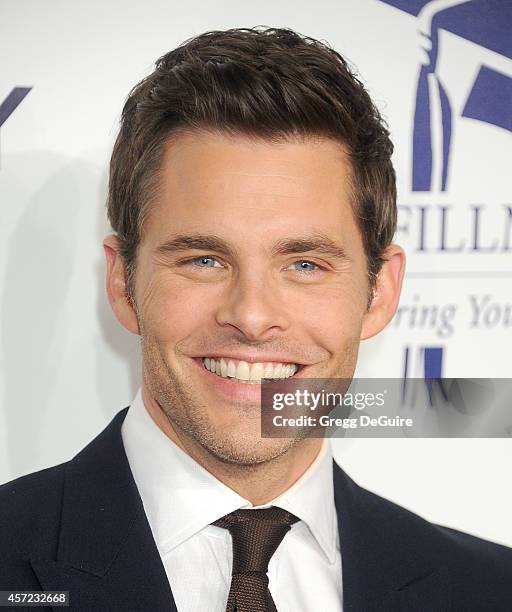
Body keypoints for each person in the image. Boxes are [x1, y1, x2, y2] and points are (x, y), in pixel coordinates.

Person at [1, 26, 511, 612]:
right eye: (204, 259)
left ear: (379, 293)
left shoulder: (489, 590)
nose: (251, 316)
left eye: (304, 264)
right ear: (123, 282)